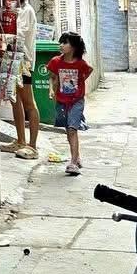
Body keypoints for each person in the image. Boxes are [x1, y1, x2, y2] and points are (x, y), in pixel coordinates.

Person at [46, 30, 93, 177]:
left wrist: (81, 82)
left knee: (72, 129)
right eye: (61, 42)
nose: (61, 45)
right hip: (62, 101)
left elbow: (89, 70)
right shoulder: (56, 62)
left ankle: (73, 163)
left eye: (65, 43)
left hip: (77, 101)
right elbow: (52, 77)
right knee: (68, 130)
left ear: (73, 47)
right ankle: (77, 157)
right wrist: (51, 90)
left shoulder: (80, 64)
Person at [5, 0, 39, 160]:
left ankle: (32, 146)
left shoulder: (26, 10)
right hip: (11, 59)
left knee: (28, 102)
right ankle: (20, 140)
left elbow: (18, 34)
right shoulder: (15, 9)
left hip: (23, 61)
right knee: (15, 100)